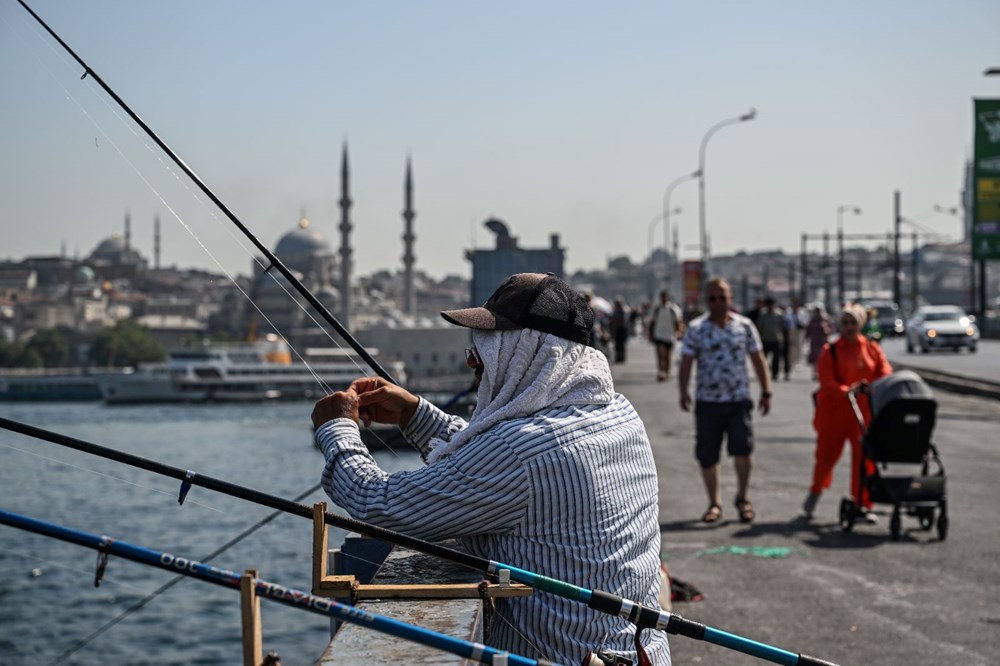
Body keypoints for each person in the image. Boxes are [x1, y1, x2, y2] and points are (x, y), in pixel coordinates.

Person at [311, 273, 670, 666]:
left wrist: (337, 428)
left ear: (527, 353)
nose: (474, 364)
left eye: (482, 351)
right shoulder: (618, 414)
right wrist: (415, 414)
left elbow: (377, 504)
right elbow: (496, 463)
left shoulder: (520, 454)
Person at [678, 277, 772, 524]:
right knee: (708, 454)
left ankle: (743, 498)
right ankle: (714, 503)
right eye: (712, 298)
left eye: (722, 297)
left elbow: (758, 358)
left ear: (731, 299)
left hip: (738, 399)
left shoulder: (745, 326)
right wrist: (683, 390)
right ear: (706, 301)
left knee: (743, 449)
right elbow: (687, 361)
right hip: (707, 401)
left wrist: (766, 391)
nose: (718, 302)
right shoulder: (697, 328)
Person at [802, 304, 892, 521]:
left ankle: (862, 503)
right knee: (825, 457)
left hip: (863, 414)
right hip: (834, 412)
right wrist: (847, 391)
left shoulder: (871, 348)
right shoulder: (830, 350)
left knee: (864, 459)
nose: (849, 327)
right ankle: (816, 489)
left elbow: (885, 373)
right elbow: (827, 382)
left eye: (853, 323)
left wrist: (875, 387)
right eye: (845, 323)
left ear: (860, 324)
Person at [647, 289, 684, 381]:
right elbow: (652, 322)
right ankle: (661, 371)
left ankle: (666, 371)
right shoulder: (657, 309)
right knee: (660, 354)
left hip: (669, 335)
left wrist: (679, 332)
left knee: (667, 355)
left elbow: (678, 322)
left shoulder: (673, 309)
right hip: (659, 334)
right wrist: (650, 334)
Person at [755, 297, 785, 380]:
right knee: (764, 358)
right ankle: (765, 372)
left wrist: (784, 338)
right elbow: (760, 327)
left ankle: (775, 373)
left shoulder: (779, 314)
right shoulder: (763, 314)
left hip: (776, 339)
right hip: (765, 339)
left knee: (776, 359)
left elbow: (783, 326)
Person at [804, 306, 832, 380]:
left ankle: (822, 373)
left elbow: (831, 329)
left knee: (823, 358)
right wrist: (806, 337)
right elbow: (808, 329)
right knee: (815, 359)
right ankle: (815, 373)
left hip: (823, 341)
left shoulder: (825, 319)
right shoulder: (813, 320)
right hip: (814, 341)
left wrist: (826, 330)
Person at [609, 297, 630, 363]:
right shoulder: (615, 311)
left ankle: (622, 357)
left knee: (621, 344)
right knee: (617, 344)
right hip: (617, 329)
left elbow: (622, 320)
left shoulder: (623, 310)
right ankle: (618, 357)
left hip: (622, 329)